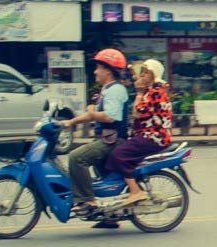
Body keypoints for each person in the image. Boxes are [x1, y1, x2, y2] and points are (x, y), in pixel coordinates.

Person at [64, 49, 129, 216]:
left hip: (113, 141)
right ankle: (111, 216)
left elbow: (110, 117)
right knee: (103, 179)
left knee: (76, 157)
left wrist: (92, 112)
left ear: (107, 70)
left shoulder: (115, 90)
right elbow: (91, 115)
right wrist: (71, 122)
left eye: (98, 67)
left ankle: (87, 200)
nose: (95, 71)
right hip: (107, 139)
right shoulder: (108, 89)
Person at [106, 59, 173, 207]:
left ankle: (135, 191)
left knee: (118, 155)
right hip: (147, 135)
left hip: (153, 137)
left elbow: (137, 112)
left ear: (153, 76)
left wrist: (138, 93)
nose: (141, 76)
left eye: (145, 73)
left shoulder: (154, 92)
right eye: (141, 73)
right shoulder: (152, 92)